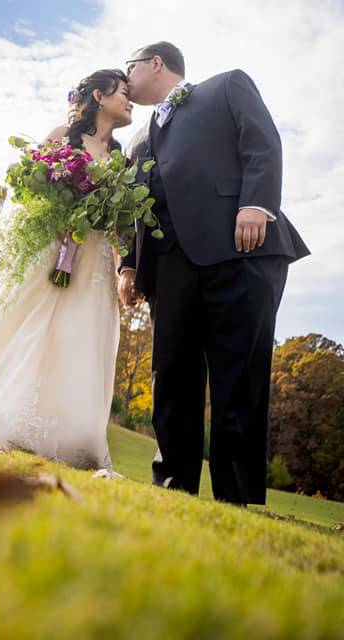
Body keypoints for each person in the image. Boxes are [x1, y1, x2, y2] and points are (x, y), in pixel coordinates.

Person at [118, 41, 309, 505]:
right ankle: (172, 484)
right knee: (172, 375)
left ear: (155, 63)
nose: (125, 80)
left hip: (240, 249)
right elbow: (131, 207)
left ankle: (236, 495)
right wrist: (128, 263)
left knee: (238, 375)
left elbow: (263, 142)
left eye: (130, 68)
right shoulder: (138, 138)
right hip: (170, 267)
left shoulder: (227, 86)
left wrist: (256, 204)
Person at [0, 69, 134, 471]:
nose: (130, 103)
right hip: (50, 247)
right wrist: (58, 218)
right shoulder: (61, 135)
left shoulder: (123, 157)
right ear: (99, 96)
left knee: (80, 340)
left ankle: (73, 437)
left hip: (92, 260)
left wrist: (124, 263)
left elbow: (122, 222)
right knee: (24, 325)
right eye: (124, 93)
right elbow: (27, 192)